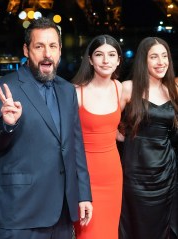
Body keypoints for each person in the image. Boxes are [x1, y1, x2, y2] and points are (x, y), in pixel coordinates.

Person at [0, 17, 93, 239]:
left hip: (62, 212)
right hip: (20, 211)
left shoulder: (67, 90)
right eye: (39, 46)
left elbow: (75, 146)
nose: (47, 53)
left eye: (52, 46)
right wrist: (7, 126)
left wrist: (83, 195)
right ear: (26, 50)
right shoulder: (5, 88)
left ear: (60, 50)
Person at [119, 37, 178, 239]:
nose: (161, 62)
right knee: (138, 228)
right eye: (154, 56)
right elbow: (108, 128)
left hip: (167, 175)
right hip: (135, 176)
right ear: (143, 61)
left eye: (164, 56)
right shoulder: (127, 88)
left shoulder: (174, 89)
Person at [72, 34, 123, 239]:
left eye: (111, 55)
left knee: (110, 233)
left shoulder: (120, 88)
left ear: (118, 60)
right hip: (85, 179)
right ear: (90, 60)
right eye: (99, 54)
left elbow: (113, 129)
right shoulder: (76, 93)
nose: (105, 60)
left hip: (113, 175)